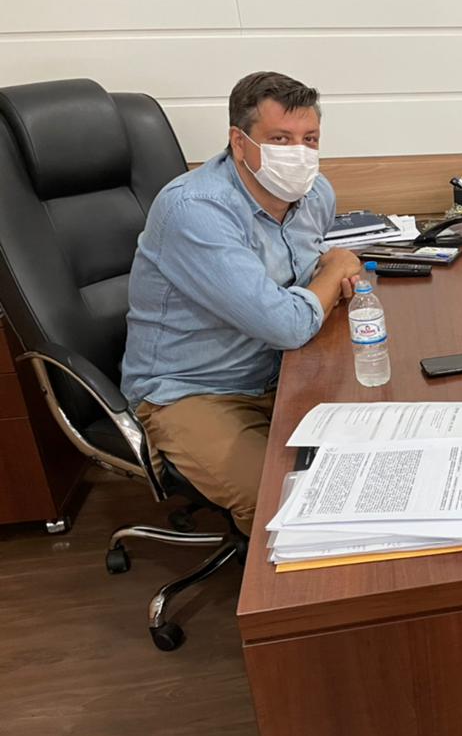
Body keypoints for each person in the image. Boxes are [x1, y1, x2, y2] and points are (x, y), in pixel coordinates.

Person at [121, 71, 362, 534]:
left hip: (283, 372)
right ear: (239, 142)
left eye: (310, 139)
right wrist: (334, 271)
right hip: (194, 390)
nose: (299, 153)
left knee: (371, 456)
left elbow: (308, 277)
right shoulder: (196, 210)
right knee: (282, 504)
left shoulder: (315, 194)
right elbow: (287, 324)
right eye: (280, 139)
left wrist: (328, 272)